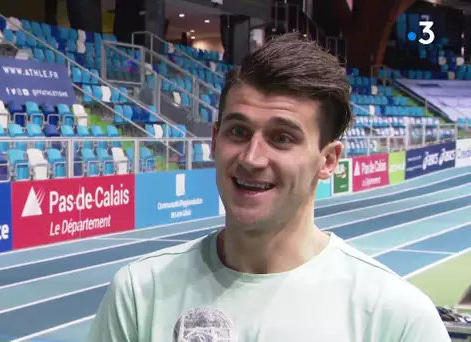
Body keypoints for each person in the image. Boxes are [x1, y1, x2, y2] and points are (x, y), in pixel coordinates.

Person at [85, 33, 450, 342]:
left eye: (282, 138)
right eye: (239, 132)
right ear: (214, 139)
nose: (252, 158)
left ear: (328, 161)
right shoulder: (138, 294)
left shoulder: (396, 319)